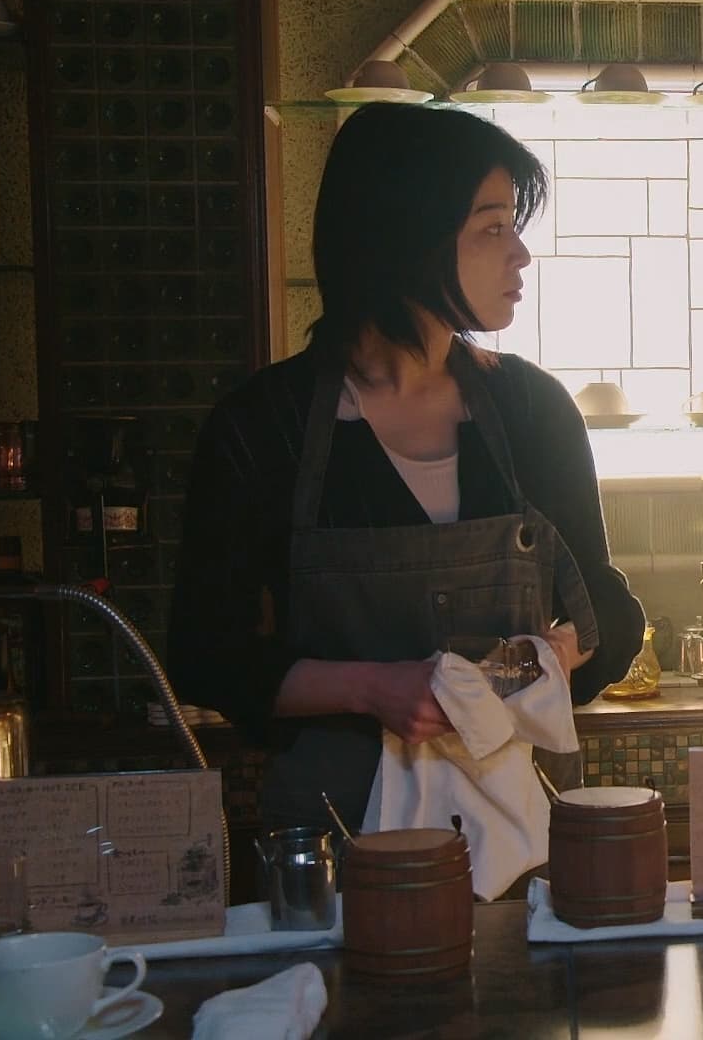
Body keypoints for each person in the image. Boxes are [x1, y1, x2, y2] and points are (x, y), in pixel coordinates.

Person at [168, 102, 646, 833]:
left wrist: (531, 663)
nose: (520, 255)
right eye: (491, 228)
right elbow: (206, 654)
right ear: (406, 236)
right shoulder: (265, 426)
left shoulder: (532, 411)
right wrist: (375, 689)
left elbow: (606, 610)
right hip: (337, 839)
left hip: (519, 835)